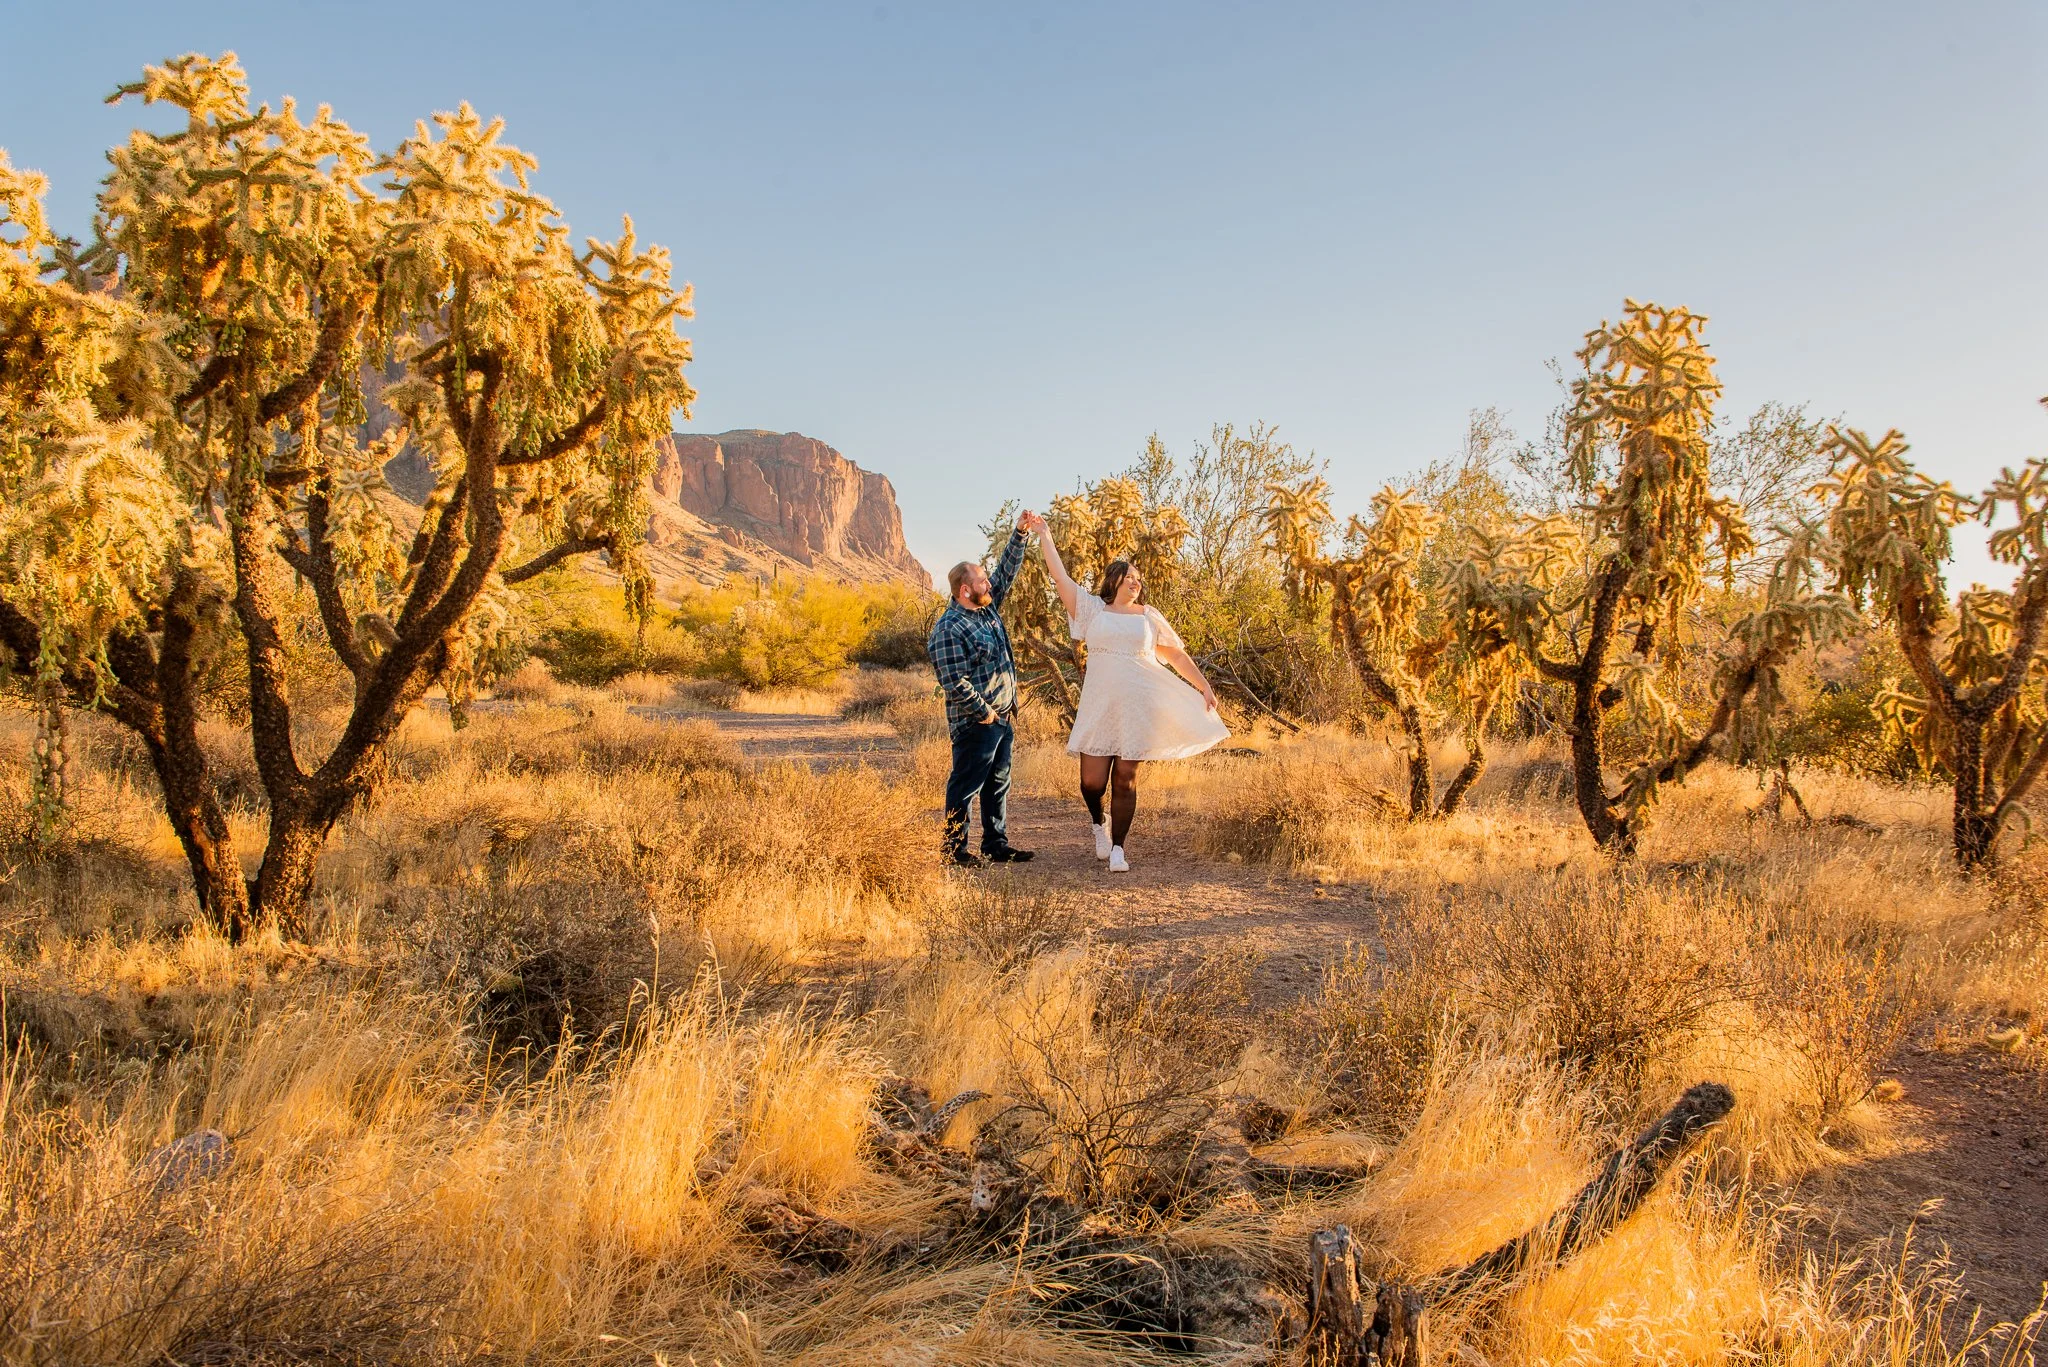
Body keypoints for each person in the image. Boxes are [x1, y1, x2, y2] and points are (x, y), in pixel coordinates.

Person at [1025, 512, 1228, 872]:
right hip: (1100, 705)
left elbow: (1175, 655)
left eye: (1139, 578)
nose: (1136, 581)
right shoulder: (1091, 610)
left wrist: (1204, 686)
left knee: (1126, 777)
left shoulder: (1149, 616)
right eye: (1130, 576)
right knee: (1091, 782)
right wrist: (1044, 534)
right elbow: (1059, 576)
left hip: (1138, 704)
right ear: (1115, 579)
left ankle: (1118, 848)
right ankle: (1097, 823)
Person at [925, 511, 1039, 868]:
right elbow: (953, 681)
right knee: (966, 785)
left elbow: (1006, 572)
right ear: (964, 590)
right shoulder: (949, 628)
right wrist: (986, 712)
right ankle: (954, 850)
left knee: (998, 783)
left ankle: (995, 844)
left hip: (1003, 717)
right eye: (981, 580)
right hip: (976, 722)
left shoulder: (986, 611)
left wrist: (1019, 534)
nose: (988, 583)